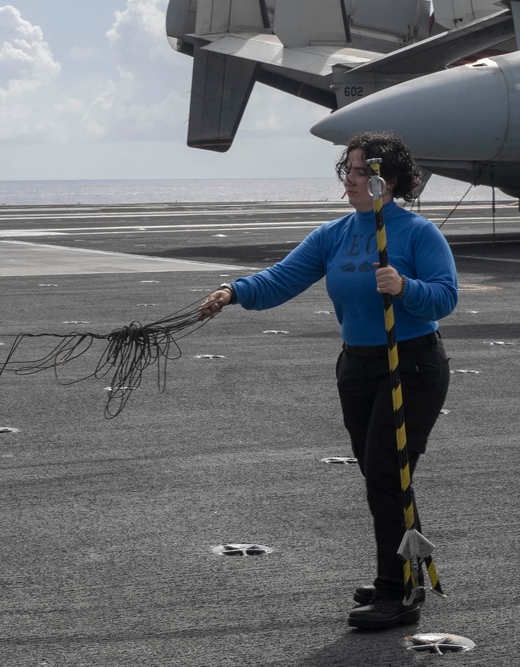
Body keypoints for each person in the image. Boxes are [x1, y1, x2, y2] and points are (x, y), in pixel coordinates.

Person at [200, 132, 458, 630]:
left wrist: (406, 287)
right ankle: (406, 574)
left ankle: (399, 591)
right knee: (383, 477)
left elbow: (445, 298)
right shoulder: (335, 234)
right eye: (350, 171)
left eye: (363, 172)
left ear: (390, 180)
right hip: (357, 366)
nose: (354, 181)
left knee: (388, 474)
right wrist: (233, 292)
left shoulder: (418, 233)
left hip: (411, 365)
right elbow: (282, 277)